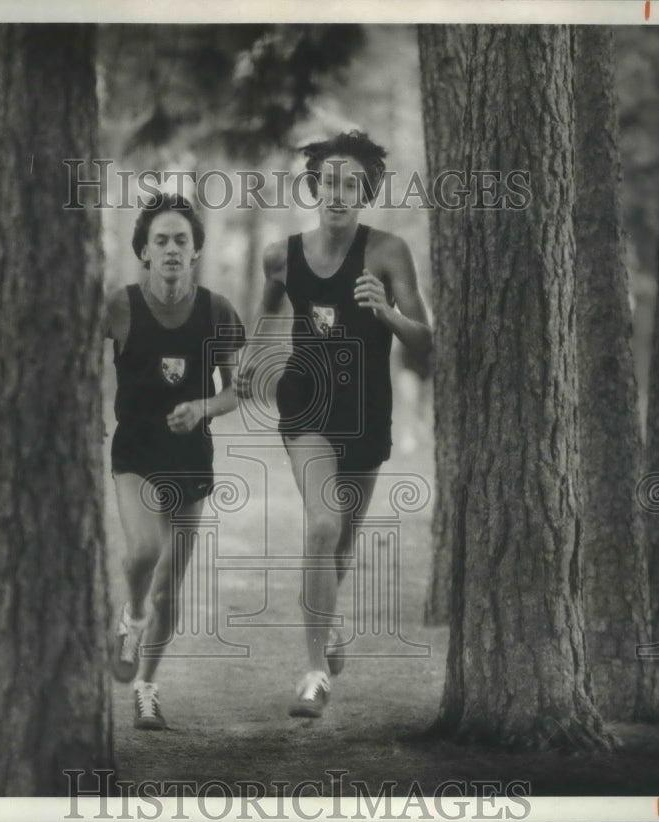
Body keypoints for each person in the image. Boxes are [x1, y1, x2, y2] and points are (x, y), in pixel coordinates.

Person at [235, 131, 432, 718]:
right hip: (307, 405)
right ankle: (315, 672)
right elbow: (269, 307)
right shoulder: (281, 255)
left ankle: (329, 621)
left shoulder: (389, 252)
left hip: (367, 410)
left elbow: (426, 341)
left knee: (340, 547)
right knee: (322, 525)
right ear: (314, 187)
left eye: (352, 185)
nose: (339, 194)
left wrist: (387, 312)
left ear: (365, 192)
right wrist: (251, 357)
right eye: (330, 183)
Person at [107, 193, 244, 730]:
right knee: (142, 553)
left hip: (190, 459)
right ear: (143, 250)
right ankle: (131, 615)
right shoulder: (118, 306)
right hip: (136, 454)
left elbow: (238, 392)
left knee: (171, 586)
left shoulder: (217, 310)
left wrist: (203, 407)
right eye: (160, 240)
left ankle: (147, 687)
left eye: (180, 240)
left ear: (196, 251)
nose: (170, 249)